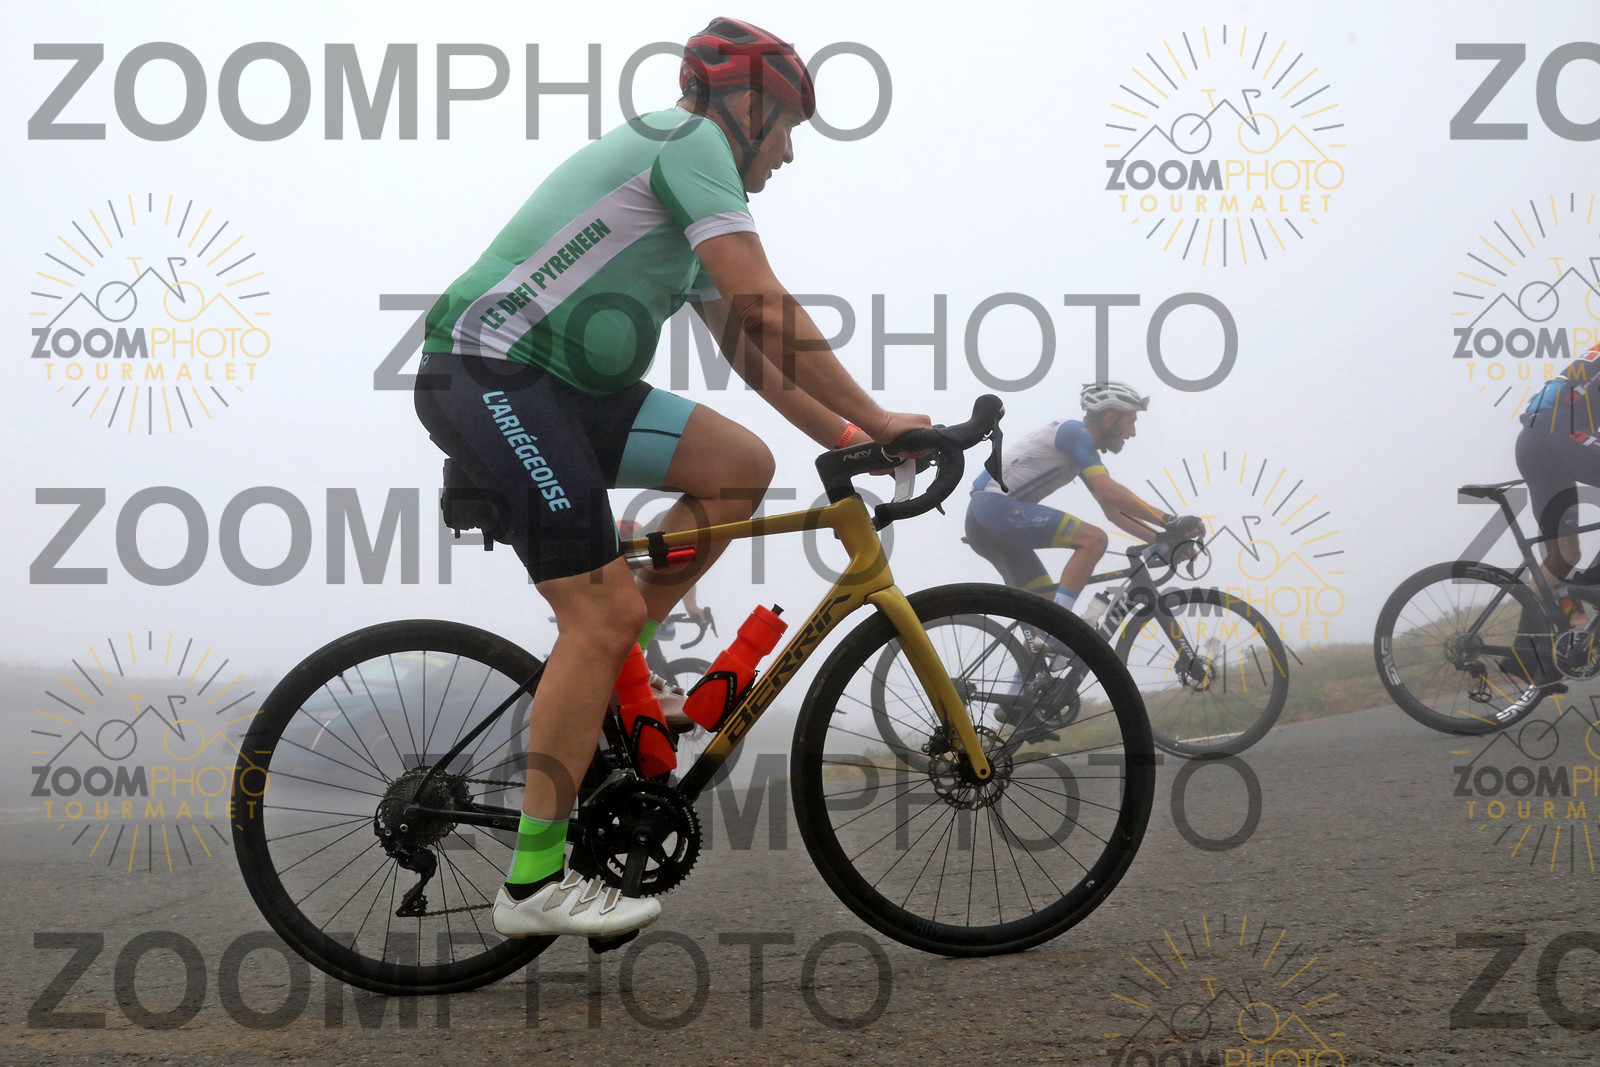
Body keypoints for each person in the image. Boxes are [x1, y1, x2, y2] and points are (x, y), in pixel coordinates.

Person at [413, 17, 928, 942]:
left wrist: (857, 439)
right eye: (788, 128)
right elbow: (764, 304)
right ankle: (533, 882)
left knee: (740, 467)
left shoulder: (690, 202)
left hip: (570, 392)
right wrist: (884, 417)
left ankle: (618, 675)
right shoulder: (687, 142)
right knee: (599, 612)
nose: (789, 153)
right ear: (748, 106)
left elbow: (752, 352)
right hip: (490, 371)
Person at [964, 381, 1200, 617]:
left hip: (982, 520)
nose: (1133, 432)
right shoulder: (1075, 432)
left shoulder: (1082, 451)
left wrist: (1164, 539)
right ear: (1110, 419)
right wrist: (1172, 521)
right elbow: (1108, 490)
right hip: (993, 506)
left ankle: (1047, 634)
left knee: (1043, 610)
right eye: (1131, 421)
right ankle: (1063, 626)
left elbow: (1114, 511)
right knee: (1094, 539)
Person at [1515, 341, 1600, 636]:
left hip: (1534, 441)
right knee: (1569, 563)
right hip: (1558, 431)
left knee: (1564, 557)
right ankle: (1591, 583)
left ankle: (1531, 651)